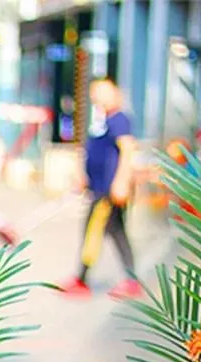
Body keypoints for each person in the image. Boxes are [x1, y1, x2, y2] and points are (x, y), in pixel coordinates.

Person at [60, 78, 142, 300]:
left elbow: (127, 150)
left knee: (93, 231)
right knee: (116, 233)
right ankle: (131, 280)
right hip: (99, 187)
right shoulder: (102, 121)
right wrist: (82, 175)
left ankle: (82, 279)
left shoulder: (119, 120)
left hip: (108, 190)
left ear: (115, 94)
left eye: (102, 92)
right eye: (94, 93)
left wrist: (121, 182)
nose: (96, 97)